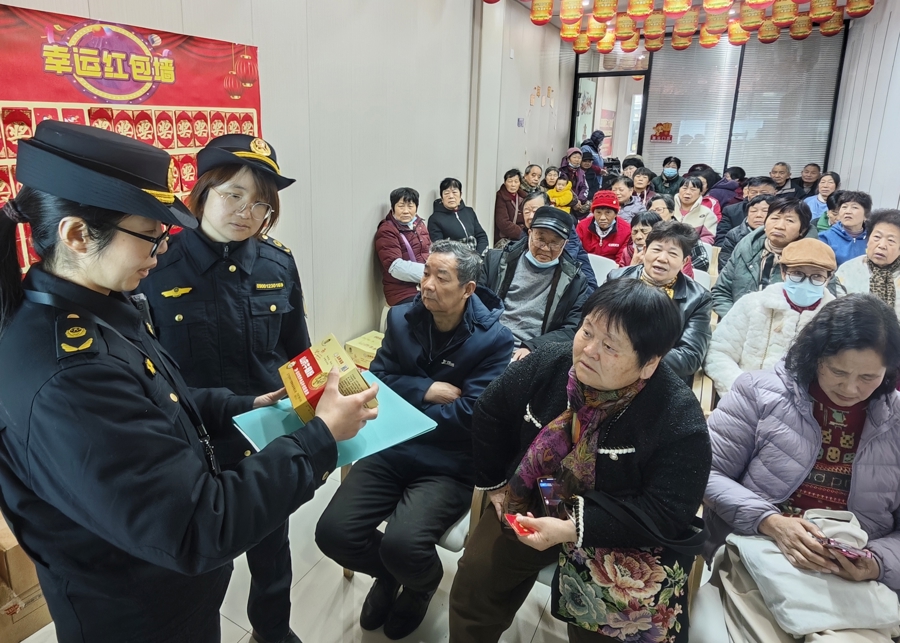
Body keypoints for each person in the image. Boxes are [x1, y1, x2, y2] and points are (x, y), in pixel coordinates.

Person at [0, 120, 377, 643]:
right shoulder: (71, 372)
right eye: (150, 235)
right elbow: (199, 526)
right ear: (78, 235)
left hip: (181, 550)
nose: (158, 252)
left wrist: (244, 404)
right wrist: (319, 438)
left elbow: (163, 394)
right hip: (140, 609)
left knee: (272, 551)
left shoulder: (103, 306)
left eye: (260, 203)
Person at [448, 278, 711, 643]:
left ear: (649, 363)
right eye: (587, 332)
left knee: (607, 626)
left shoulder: (677, 418)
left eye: (610, 346)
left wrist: (572, 530)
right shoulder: (550, 364)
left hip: (618, 524)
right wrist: (495, 483)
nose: (589, 350)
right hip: (538, 493)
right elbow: (491, 410)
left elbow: (667, 511)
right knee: (478, 578)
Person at [137, 133, 313, 643]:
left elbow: (298, 352)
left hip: (263, 434)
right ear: (201, 191)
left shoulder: (277, 263)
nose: (246, 212)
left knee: (272, 550)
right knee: (202, 568)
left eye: (261, 203)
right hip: (190, 443)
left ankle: (272, 632)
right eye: (233, 194)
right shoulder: (156, 266)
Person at [316, 240, 513, 641]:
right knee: (333, 533)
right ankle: (389, 577)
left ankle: (421, 584)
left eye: (442, 277)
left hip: (448, 463)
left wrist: (403, 401)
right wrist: (426, 389)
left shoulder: (495, 340)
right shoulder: (401, 317)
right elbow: (377, 380)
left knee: (403, 545)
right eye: (425, 273)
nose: (427, 284)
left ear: (468, 289)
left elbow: (469, 416)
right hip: (392, 446)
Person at [698, 294, 900, 643]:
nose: (850, 388)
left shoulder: (895, 422)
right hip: (760, 553)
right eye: (838, 371)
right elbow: (704, 473)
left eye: (869, 376)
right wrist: (770, 522)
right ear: (815, 355)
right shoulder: (759, 393)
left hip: (854, 580)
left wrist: (878, 562)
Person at [705, 239, 837, 396]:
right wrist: (743, 390)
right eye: (797, 273)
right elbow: (719, 352)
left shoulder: (836, 320)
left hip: (803, 406)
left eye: (817, 276)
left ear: (828, 279)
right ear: (783, 272)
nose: (806, 282)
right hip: (743, 398)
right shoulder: (752, 304)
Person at [481, 207, 592, 361]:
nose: (545, 248)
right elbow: (475, 303)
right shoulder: (496, 262)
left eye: (555, 243)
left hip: (533, 355)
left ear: (565, 244)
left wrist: (534, 347)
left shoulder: (575, 281)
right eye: (540, 239)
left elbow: (572, 328)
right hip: (487, 343)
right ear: (530, 233)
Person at [608, 221, 713, 381]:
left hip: (659, 378)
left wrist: (633, 354)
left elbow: (689, 357)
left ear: (684, 261)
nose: (662, 258)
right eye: (657, 250)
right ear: (644, 251)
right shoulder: (616, 278)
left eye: (673, 254)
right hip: (609, 365)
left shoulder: (698, 299)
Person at [712, 197, 812, 317]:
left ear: (803, 229)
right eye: (775, 218)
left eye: (789, 220)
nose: (779, 226)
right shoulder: (745, 247)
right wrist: (736, 320)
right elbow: (721, 292)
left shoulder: (814, 259)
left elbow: (818, 307)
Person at [522, 191, 597, 289]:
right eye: (526, 212)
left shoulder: (564, 229)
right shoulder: (523, 233)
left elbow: (570, 254)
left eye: (536, 211)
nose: (531, 216)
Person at [373, 187, 432, 306]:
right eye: (401, 206)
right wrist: (431, 274)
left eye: (410, 206)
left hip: (425, 284)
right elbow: (396, 267)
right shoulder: (387, 230)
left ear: (416, 208)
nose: (406, 211)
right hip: (402, 291)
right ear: (393, 208)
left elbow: (429, 252)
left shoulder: (419, 224)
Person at [836, 209, 900, 317]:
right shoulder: (847, 271)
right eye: (877, 237)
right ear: (868, 239)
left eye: (891, 240)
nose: (881, 245)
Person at [427, 177, 488, 254]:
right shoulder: (435, 219)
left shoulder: (469, 212)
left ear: (460, 195)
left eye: (454, 192)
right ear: (442, 197)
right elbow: (439, 248)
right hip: (454, 258)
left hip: (476, 256)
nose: (451, 196)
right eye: (446, 193)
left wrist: (479, 256)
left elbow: (481, 236)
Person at [714, 176, 778, 246]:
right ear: (748, 192)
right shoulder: (731, 211)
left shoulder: (781, 210)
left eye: (764, 192)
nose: (758, 195)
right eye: (753, 192)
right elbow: (722, 238)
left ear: (775, 193)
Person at [718, 194, 775, 270]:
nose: (758, 215)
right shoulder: (734, 234)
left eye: (765, 211)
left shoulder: (781, 235)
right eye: (753, 211)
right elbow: (725, 265)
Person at [576, 190, 632, 265]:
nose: (602, 218)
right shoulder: (582, 226)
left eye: (608, 212)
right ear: (593, 212)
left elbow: (621, 260)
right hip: (585, 266)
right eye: (598, 212)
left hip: (613, 269)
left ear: (616, 213)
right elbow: (576, 251)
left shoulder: (627, 230)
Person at [819, 190, 872, 267]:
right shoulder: (825, 238)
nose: (847, 211)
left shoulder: (872, 239)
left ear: (866, 215)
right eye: (844, 207)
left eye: (854, 207)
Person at [674, 175, 717, 242]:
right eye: (684, 188)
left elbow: (708, 237)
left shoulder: (707, 213)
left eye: (693, 189)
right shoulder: (668, 208)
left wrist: (691, 245)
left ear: (700, 193)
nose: (688, 192)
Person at [494, 168, 528, 247]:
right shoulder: (501, 196)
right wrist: (521, 233)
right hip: (508, 238)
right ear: (505, 182)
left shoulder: (524, 197)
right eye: (510, 181)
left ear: (520, 183)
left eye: (516, 181)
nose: (513, 184)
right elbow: (503, 222)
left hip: (523, 235)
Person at [561, 149, 590, 219]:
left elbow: (585, 187)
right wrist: (574, 202)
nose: (577, 160)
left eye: (579, 158)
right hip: (565, 202)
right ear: (568, 159)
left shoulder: (582, 173)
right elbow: (561, 188)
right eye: (574, 157)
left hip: (579, 203)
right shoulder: (561, 172)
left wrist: (580, 200)